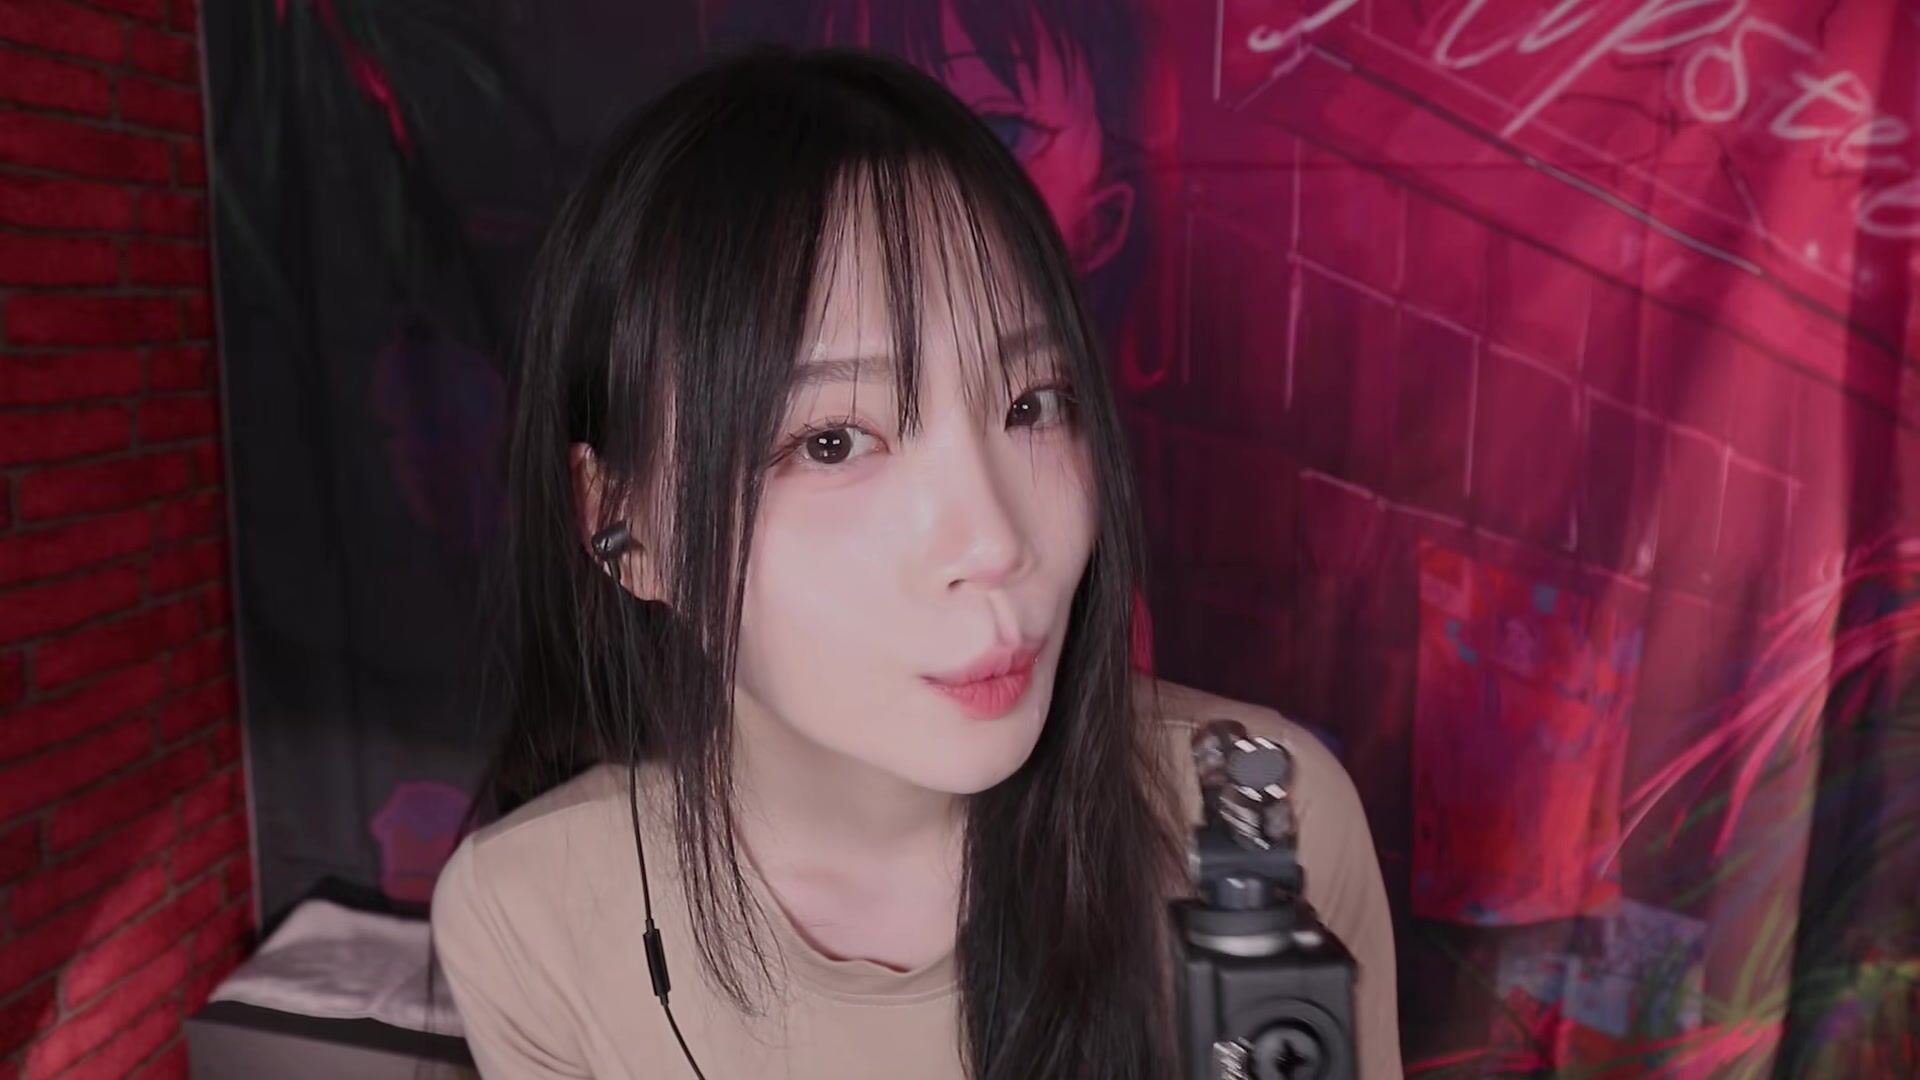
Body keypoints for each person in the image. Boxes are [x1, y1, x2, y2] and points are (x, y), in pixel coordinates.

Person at [430, 46, 1400, 1079]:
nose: (997, 542)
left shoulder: (1260, 831)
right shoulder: (529, 916)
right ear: (625, 524)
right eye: (831, 442)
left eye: (1032, 404)